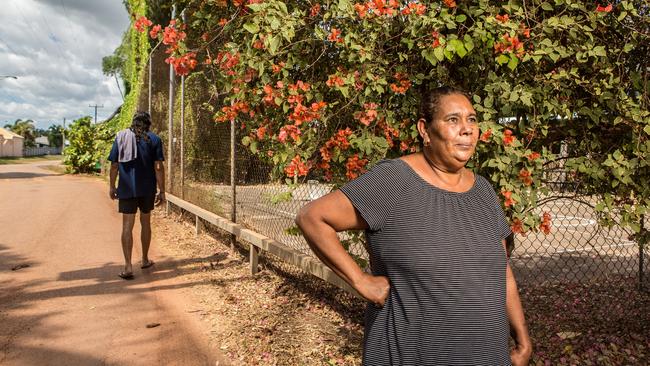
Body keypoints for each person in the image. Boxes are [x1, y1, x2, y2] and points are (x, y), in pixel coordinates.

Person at [295, 86, 532, 365]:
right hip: (412, 354)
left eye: (472, 119)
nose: (466, 129)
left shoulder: (483, 191)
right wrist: (361, 281)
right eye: (453, 120)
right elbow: (312, 217)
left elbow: (501, 274)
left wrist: (523, 340)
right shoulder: (394, 181)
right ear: (425, 130)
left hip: (487, 355)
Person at [108, 111, 165, 280]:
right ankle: (145, 259)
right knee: (145, 222)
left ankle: (127, 266)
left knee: (127, 226)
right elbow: (159, 168)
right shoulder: (155, 139)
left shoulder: (121, 138)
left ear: (133, 123)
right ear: (148, 123)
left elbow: (114, 166)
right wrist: (162, 190)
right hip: (147, 189)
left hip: (126, 189)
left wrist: (112, 186)